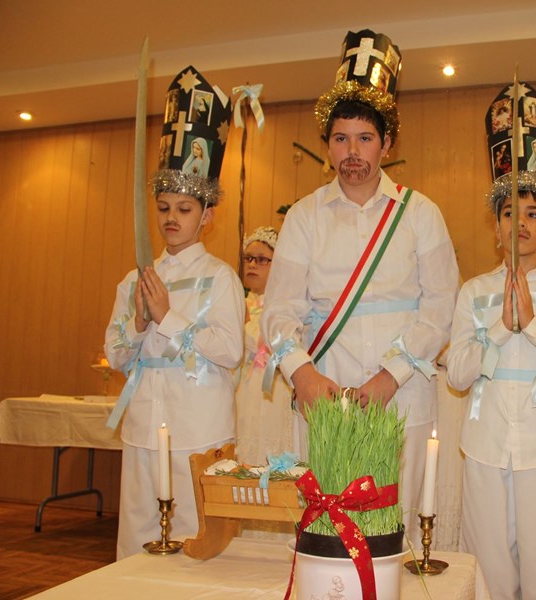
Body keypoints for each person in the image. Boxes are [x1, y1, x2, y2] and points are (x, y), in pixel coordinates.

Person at [261, 30, 459, 539]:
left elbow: (440, 308)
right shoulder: (303, 217)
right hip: (325, 399)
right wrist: (302, 375)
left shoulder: (421, 214)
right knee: (328, 529)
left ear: (387, 144)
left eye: (365, 138)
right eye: (341, 138)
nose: (352, 152)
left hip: (403, 398)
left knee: (398, 528)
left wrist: (391, 377)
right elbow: (278, 309)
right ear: (328, 145)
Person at [104, 66, 243, 560]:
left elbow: (230, 351)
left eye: (184, 209)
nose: (170, 218)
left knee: (193, 538)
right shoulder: (134, 279)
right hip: (144, 424)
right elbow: (116, 356)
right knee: (137, 535)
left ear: (206, 216)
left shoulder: (220, 277)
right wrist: (140, 322)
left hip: (198, 428)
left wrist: (168, 316)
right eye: (163, 207)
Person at [447, 169, 536, 600]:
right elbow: (456, 374)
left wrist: (532, 325)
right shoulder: (473, 292)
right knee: (488, 574)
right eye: (511, 213)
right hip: (485, 447)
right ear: (497, 226)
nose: (521, 224)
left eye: (534, 214)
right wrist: (498, 328)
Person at [235, 226, 297, 466]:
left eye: (262, 260)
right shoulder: (238, 302)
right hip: (243, 384)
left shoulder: (283, 306)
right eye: (248, 258)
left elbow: (272, 343)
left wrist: (245, 327)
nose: (252, 265)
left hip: (274, 386)